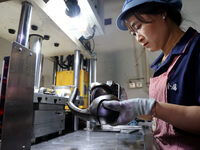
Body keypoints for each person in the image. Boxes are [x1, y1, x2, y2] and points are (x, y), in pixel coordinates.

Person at [102, 0, 200, 149]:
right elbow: (163, 116)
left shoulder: (196, 49)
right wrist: (131, 109)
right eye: (133, 34)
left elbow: (159, 109)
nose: (138, 38)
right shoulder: (161, 64)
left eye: (138, 27)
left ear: (162, 12)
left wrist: (150, 107)